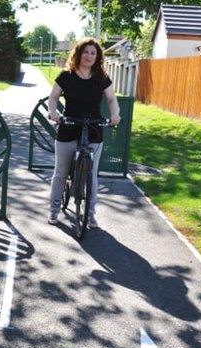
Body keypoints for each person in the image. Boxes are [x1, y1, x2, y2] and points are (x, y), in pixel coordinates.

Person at [47, 37, 121, 229]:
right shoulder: (66, 76)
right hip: (69, 125)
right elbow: (53, 97)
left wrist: (115, 115)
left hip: (94, 127)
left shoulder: (101, 78)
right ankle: (54, 210)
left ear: (97, 57)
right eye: (86, 52)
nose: (89, 56)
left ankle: (90, 215)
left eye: (93, 53)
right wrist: (53, 112)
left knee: (92, 174)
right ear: (78, 54)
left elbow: (112, 100)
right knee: (61, 172)